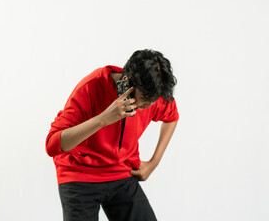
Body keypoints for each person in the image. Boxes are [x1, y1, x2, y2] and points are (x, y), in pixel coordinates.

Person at [45, 49, 179, 221]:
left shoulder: (152, 93)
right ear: (126, 83)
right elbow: (52, 144)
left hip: (121, 172)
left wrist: (153, 163)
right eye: (144, 101)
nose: (149, 105)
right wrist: (103, 119)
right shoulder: (91, 87)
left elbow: (172, 117)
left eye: (152, 102)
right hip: (79, 173)